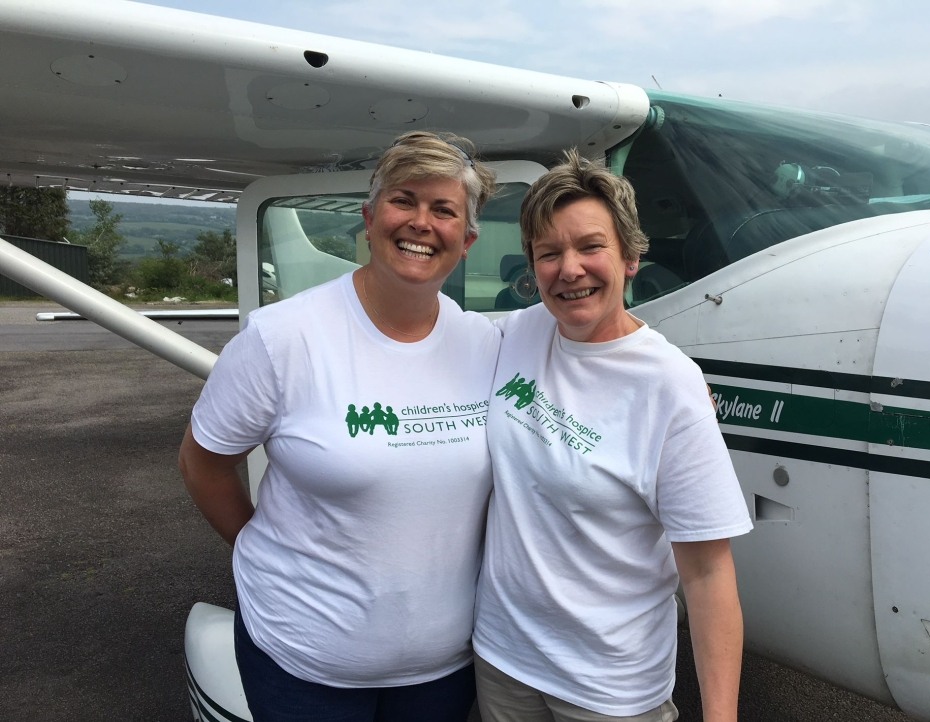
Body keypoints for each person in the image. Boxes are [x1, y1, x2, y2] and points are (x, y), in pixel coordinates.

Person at [178, 131, 499, 722]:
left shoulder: (486, 344)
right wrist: (256, 543)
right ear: (370, 216)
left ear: (468, 239)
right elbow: (203, 463)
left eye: (444, 209)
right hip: (303, 661)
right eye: (405, 200)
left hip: (442, 670)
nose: (422, 222)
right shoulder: (282, 338)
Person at [473, 150, 753, 722]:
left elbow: (707, 572)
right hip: (503, 662)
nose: (568, 269)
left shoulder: (669, 385)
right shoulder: (518, 334)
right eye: (548, 253)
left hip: (608, 690)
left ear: (629, 256)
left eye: (590, 246)